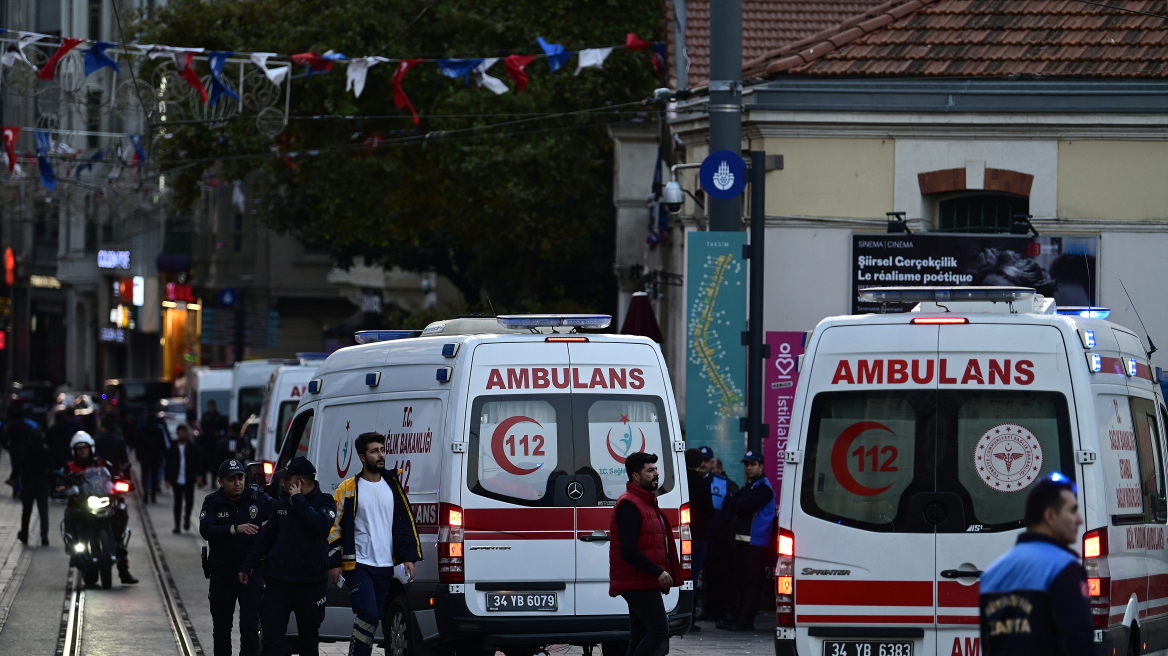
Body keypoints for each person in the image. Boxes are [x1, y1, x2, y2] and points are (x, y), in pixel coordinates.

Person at [328, 432, 423, 655]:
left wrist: (408, 557)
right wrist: (334, 562)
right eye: (374, 451)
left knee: (373, 617)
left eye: (382, 450)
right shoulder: (348, 488)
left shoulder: (392, 486)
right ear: (362, 457)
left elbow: (403, 524)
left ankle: (359, 651)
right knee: (368, 613)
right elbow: (335, 529)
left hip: (384, 566)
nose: (380, 455)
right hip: (357, 565)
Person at [979, 474, 1091, 656]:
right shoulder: (1064, 568)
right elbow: (1079, 640)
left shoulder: (992, 573)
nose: (1079, 519)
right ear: (1050, 516)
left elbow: (989, 646)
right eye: (1072, 510)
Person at [239, 457, 336, 656]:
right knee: (272, 641)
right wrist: (247, 564)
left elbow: (321, 525)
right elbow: (267, 537)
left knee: (309, 641)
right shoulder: (282, 502)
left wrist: (299, 501)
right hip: (279, 582)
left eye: (287, 478)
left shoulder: (325, 502)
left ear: (300, 482)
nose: (283, 482)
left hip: (310, 584)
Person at [608, 451, 683, 656]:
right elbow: (628, 550)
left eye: (656, 469)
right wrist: (658, 572)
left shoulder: (646, 502)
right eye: (650, 470)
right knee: (659, 630)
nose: (656, 474)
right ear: (636, 476)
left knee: (639, 635)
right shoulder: (630, 505)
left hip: (644, 580)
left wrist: (660, 574)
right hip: (638, 581)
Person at [200, 459, 275, 656]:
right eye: (231, 479)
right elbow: (206, 530)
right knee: (222, 627)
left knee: (250, 625)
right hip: (222, 573)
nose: (237, 483)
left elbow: (281, 515)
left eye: (240, 478)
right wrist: (234, 529)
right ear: (221, 482)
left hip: (251, 573)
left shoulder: (259, 500)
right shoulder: (212, 502)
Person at [62, 432, 138, 583]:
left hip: (102, 500)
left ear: (91, 448)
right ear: (74, 451)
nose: (82, 451)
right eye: (79, 449)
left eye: (85, 448)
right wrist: (61, 488)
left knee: (120, 510)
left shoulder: (101, 463)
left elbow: (114, 474)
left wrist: (121, 482)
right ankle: (75, 550)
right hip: (82, 504)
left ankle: (123, 568)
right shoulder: (69, 466)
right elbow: (61, 481)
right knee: (71, 513)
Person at [716, 451, 775, 632]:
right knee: (741, 582)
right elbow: (730, 503)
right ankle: (738, 617)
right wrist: (741, 505)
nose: (748, 468)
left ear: (761, 466)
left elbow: (743, 507)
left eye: (752, 464)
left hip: (756, 544)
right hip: (744, 542)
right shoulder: (751, 486)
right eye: (746, 464)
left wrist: (741, 505)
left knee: (751, 584)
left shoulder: (763, 488)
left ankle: (745, 620)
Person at [684, 448, 714, 588]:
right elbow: (709, 511)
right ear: (700, 462)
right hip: (699, 535)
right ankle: (692, 606)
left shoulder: (680, 482)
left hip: (680, 532)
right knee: (693, 574)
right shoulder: (703, 484)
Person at [165, 424, 204, 533]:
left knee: (189, 502)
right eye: (180, 433)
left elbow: (198, 463)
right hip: (176, 479)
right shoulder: (172, 449)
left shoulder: (193, 448)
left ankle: (187, 518)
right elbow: (168, 464)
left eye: (184, 432)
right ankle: (177, 524)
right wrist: (167, 478)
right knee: (177, 503)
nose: (182, 435)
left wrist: (200, 476)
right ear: (177, 434)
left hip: (189, 479)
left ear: (187, 433)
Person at [17, 428, 53, 546]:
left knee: (26, 511)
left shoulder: (26, 450)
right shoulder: (45, 450)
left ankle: (24, 534)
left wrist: (14, 479)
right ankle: (44, 536)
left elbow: (19, 466)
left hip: (28, 484)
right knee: (43, 511)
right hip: (42, 483)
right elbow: (51, 467)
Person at [5, 401, 35, 497]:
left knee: (16, 467)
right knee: (25, 469)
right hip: (26, 450)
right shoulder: (28, 426)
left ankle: (16, 488)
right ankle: (22, 488)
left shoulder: (11, 427)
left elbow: (5, 438)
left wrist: (7, 447)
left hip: (14, 450)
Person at [137, 416, 169, 503]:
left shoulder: (142, 429)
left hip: (145, 456)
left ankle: (145, 493)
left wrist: (138, 455)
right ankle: (153, 495)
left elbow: (138, 443)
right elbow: (163, 444)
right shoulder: (158, 430)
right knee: (154, 475)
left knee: (145, 475)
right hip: (156, 456)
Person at [200, 400, 229, 484]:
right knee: (204, 463)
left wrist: (220, 434)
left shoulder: (219, 417)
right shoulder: (205, 417)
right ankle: (204, 480)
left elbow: (224, 429)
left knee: (215, 464)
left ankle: (213, 481)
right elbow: (203, 429)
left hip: (216, 444)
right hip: (206, 444)